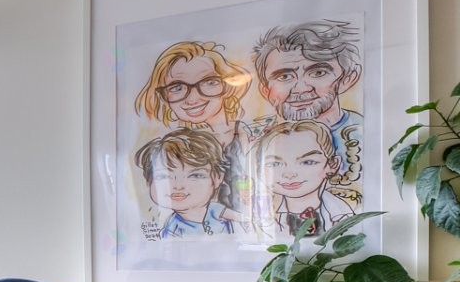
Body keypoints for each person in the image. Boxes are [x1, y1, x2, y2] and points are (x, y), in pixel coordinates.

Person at [134, 41, 254, 216]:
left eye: (209, 82)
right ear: (163, 95)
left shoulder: (256, 136)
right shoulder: (171, 149)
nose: (193, 99)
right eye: (177, 87)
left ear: (226, 85)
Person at [249, 20, 363, 204]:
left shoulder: (368, 135)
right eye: (284, 76)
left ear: (347, 79)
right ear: (265, 90)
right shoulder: (250, 141)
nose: (301, 88)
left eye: (318, 73)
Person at [255, 119, 355, 239]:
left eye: (307, 162)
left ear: (332, 165)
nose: (289, 174)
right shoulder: (261, 213)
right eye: (275, 164)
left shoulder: (341, 214)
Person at [132, 129, 233, 239]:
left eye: (195, 175)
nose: (178, 186)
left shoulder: (217, 211)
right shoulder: (172, 230)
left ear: (218, 177)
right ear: (149, 181)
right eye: (164, 176)